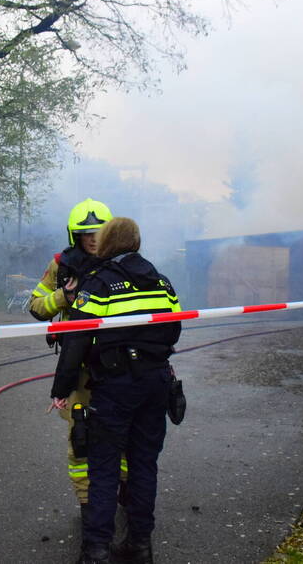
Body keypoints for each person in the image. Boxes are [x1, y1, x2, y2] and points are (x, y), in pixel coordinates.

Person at [50, 217, 182, 564]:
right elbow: (174, 330)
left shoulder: (99, 283)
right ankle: (139, 546)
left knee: (104, 467)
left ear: (108, 242)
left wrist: (61, 389)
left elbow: (76, 339)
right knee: (144, 465)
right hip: (155, 383)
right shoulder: (162, 281)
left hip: (116, 386)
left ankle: (96, 551)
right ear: (136, 242)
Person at [29, 198, 125, 515]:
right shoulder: (62, 266)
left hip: (118, 364)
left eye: (99, 232)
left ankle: (124, 491)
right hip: (79, 366)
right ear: (75, 236)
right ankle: (87, 504)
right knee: (80, 434)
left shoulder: (124, 263)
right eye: (86, 234)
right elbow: (36, 306)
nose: (93, 239)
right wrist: (63, 296)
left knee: (122, 432)